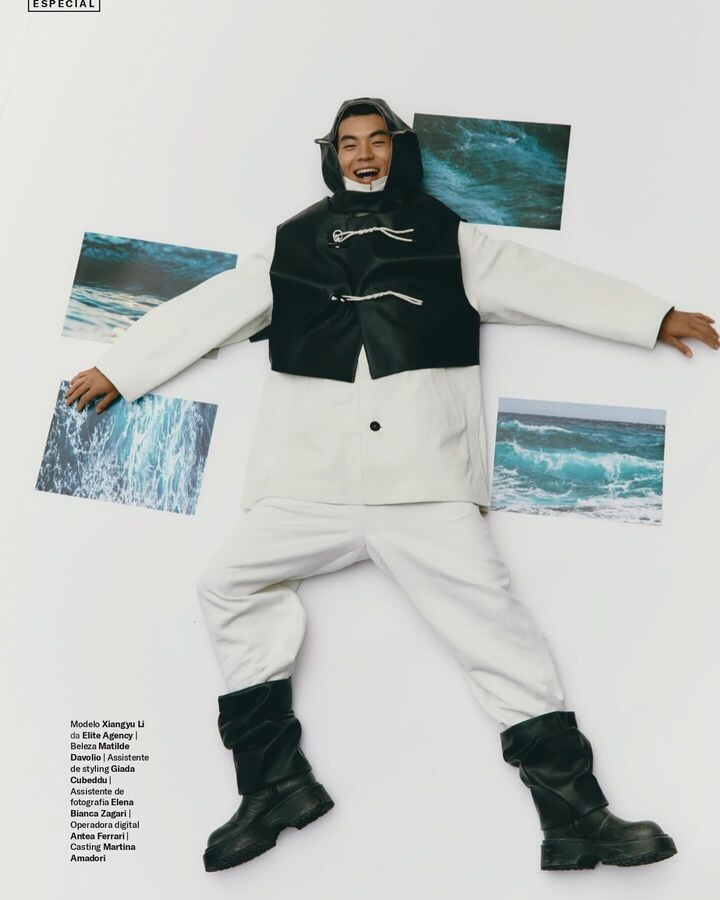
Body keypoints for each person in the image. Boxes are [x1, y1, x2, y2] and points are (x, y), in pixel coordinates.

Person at [65, 97, 717, 874]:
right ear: (332, 155)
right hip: (308, 483)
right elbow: (214, 306)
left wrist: (652, 316)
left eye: (377, 141)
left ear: (398, 152)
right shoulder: (290, 243)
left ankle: (578, 818)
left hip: (425, 485)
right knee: (226, 585)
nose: (364, 154)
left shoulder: (451, 238)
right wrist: (122, 367)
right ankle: (274, 787)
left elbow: (545, 282)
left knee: (498, 635)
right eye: (349, 143)